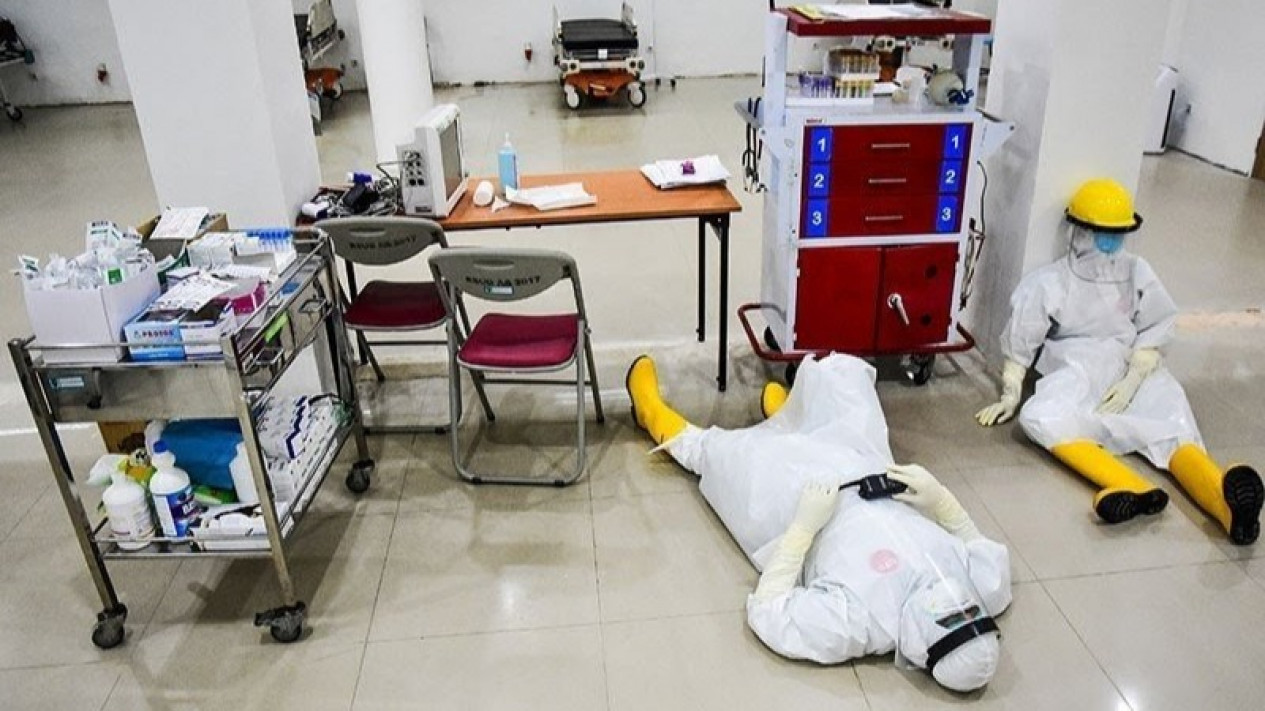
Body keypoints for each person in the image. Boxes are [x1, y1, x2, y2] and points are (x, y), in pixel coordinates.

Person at [626, 352, 1012, 692]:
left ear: (923, 648)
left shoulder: (859, 625)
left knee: (722, 453)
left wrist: (802, 529)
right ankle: (789, 415)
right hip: (866, 467)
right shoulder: (980, 585)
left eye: (951, 617)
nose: (957, 601)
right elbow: (988, 557)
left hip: (798, 501)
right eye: (971, 610)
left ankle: (650, 410)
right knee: (846, 384)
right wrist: (943, 503)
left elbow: (770, 612)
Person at [975, 178, 1263, 544]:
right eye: (1103, 233)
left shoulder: (1136, 271)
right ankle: (1129, 486)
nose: (1109, 242)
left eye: (1117, 233)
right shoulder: (1051, 282)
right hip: (1077, 369)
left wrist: (1136, 375)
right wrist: (1011, 392)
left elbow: (1159, 322)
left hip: (1133, 368)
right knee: (1039, 417)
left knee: (1172, 418)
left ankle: (1224, 501)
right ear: (1079, 230)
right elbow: (1022, 337)